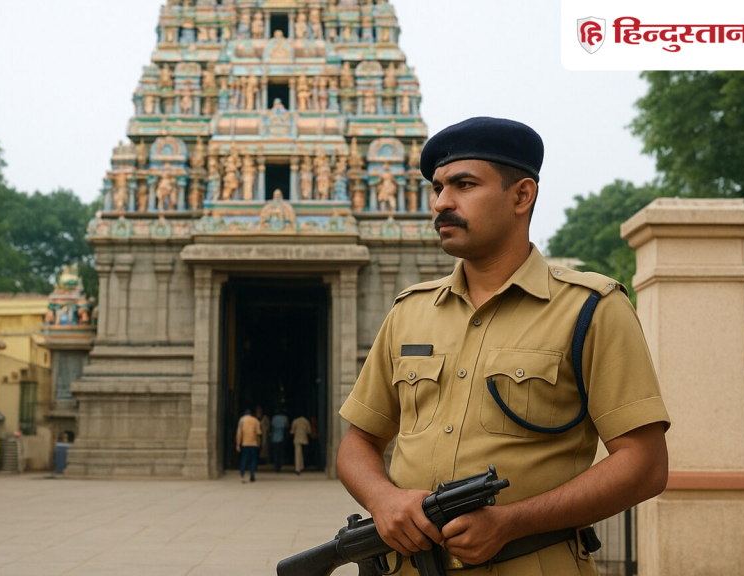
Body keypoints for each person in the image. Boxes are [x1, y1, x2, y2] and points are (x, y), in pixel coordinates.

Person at [336, 117, 670, 575]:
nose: (441, 202)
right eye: (437, 188)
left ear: (522, 195)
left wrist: (511, 522)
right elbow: (358, 441)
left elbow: (645, 464)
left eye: (464, 185)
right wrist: (383, 499)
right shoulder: (410, 311)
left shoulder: (590, 309)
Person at [236, 408, 261, 483]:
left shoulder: (242, 420)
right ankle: (252, 474)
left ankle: (242, 475)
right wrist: (259, 442)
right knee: (253, 459)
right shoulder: (255, 420)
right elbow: (258, 432)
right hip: (253, 443)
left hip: (245, 443)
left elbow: (239, 432)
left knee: (244, 458)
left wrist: (238, 444)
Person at [270, 407, 289, 473]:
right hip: (282, 437)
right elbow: (287, 426)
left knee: (276, 453)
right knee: (281, 453)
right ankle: (279, 465)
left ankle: (276, 465)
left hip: (274, 438)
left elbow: (272, 425)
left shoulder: (274, 418)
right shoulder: (285, 418)